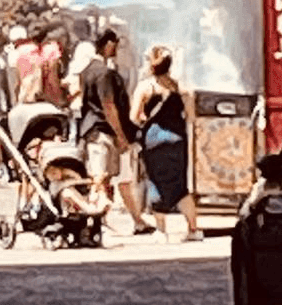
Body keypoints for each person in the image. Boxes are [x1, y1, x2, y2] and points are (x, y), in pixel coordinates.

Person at [79, 29, 151, 234]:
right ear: (108, 44)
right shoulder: (104, 74)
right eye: (116, 46)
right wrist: (121, 135)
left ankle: (136, 220)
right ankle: (94, 223)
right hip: (104, 133)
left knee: (116, 179)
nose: (117, 50)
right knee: (101, 178)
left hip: (97, 130)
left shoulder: (88, 71)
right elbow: (109, 106)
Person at [131, 46, 201, 241]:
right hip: (177, 140)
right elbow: (191, 116)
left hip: (153, 140)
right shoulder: (180, 88)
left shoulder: (145, 88)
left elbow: (134, 116)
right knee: (180, 186)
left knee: (155, 182)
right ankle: (193, 229)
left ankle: (162, 231)